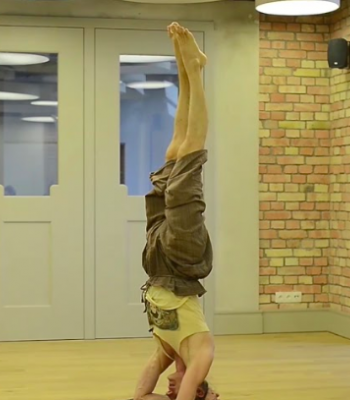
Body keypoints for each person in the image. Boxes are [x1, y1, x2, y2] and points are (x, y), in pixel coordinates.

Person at [131, 22, 219, 400]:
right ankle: (195, 71)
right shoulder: (201, 354)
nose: (170, 388)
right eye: (179, 389)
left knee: (172, 156)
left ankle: (186, 66)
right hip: (183, 258)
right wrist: (191, 389)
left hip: (156, 262)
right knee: (191, 152)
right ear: (196, 387)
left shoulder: (168, 351)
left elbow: (142, 392)